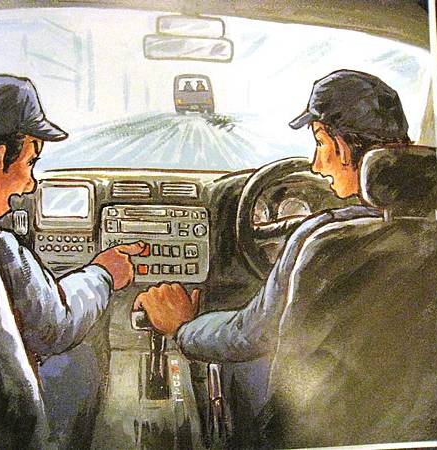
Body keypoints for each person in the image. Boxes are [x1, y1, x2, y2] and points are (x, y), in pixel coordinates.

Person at [134, 70, 415, 442]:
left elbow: (246, 335)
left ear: (344, 148)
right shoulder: (431, 228)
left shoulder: (320, 241)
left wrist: (183, 327)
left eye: (320, 143)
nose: (316, 165)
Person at [0, 75, 145, 447]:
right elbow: (57, 324)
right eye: (30, 163)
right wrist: (104, 273)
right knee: (83, 346)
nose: (31, 184)